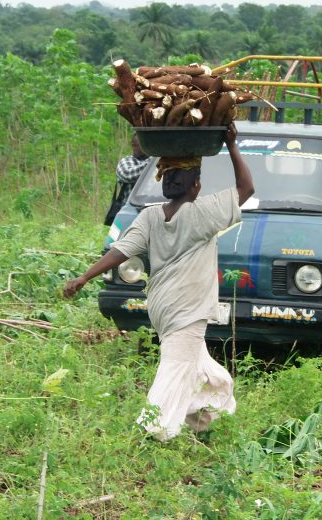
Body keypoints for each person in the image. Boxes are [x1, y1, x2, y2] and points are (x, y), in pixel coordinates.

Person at [64, 125, 254, 441]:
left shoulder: (151, 216)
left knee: (211, 375)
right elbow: (246, 188)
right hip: (187, 309)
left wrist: (85, 277)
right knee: (175, 371)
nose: (169, 180)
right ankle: (151, 433)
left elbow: (120, 251)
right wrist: (232, 146)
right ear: (197, 187)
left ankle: (208, 420)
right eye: (169, 176)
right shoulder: (203, 213)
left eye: (170, 176)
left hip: (163, 308)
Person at [116, 133, 149, 201]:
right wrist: (154, 160)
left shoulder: (156, 162)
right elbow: (128, 175)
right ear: (133, 146)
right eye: (143, 144)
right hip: (131, 208)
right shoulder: (126, 161)